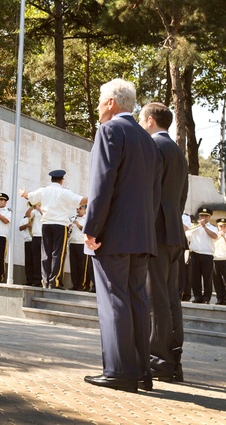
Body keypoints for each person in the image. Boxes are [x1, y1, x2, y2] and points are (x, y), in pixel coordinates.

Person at [82, 79, 161, 393]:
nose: (99, 106)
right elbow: (152, 195)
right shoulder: (148, 140)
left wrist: (92, 229)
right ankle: (142, 372)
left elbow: (102, 184)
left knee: (114, 300)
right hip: (141, 236)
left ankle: (118, 372)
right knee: (136, 301)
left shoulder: (110, 131)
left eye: (101, 100)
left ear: (112, 102)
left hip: (113, 234)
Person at [138, 101, 188, 384]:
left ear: (149, 121)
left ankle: (159, 361)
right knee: (170, 299)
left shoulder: (154, 147)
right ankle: (173, 360)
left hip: (156, 231)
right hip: (173, 232)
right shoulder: (179, 153)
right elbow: (180, 197)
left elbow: (150, 191)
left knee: (155, 298)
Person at [21, 170, 87, 289]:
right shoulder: (64, 192)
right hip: (60, 225)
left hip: (46, 225)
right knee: (57, 254)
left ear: (51, 179)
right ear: (62, 180)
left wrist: (24, 193)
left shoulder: (44, 190)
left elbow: (29, 197)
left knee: (45, 253)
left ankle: (45, 281)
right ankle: (54, 281)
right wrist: (97, 196)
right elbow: (81, 201)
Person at [186, 207, 218, 304]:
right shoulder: (194, 226)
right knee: (195, 277)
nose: (203, 217)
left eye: (206, 216)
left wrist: (204, 227)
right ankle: (197, 296)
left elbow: (215, 236)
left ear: (209, 217)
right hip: (195, 254)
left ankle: (206, 298)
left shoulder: (213, 227)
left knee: (207, 277)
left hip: (207, 254)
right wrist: (197, 226)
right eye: (201, 215)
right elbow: (187, 235)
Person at [67, 206, 92, 291]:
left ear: (85, 210)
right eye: (77, 209)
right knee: (74, 265)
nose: (78, 210)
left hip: (82, 244)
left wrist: (78, 225)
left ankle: (83, 285)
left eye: (80, 209)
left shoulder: (87, 219)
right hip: (73, 243)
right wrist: (69, 228)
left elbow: (87, 230)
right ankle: (75, 284)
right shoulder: (73, 219)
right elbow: (68, 233)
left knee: (83, 266)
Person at [19, 204, 42, 287]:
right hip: (30, 239)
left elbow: (45, 215)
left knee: (39, 260)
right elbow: (27, 215)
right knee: (30, 261)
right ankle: (31, 280)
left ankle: (40, 280)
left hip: (41, 237)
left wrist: (38, 208)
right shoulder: (34, 212)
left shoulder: (44, 210)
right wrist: (32, 207)